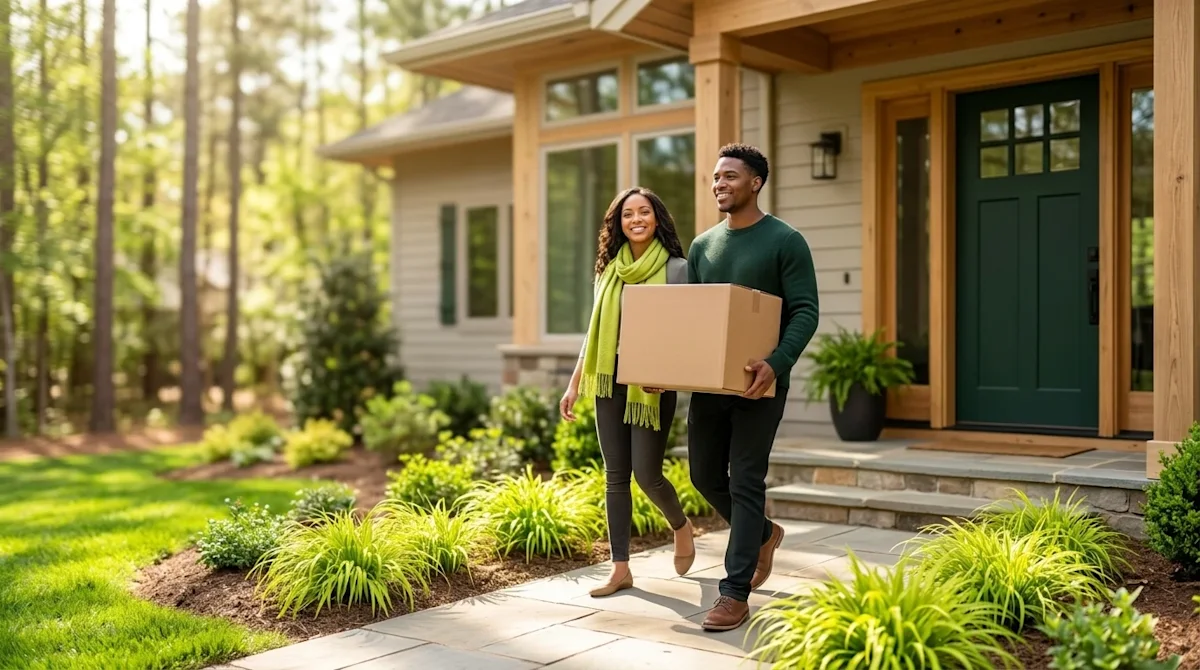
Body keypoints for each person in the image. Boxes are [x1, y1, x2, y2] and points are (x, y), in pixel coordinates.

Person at [686, 143, 820, 632]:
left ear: (756, 182)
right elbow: (693, 321)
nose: (719, 183)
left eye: (730, 176)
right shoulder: (703, 247)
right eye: (716, 177)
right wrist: (670, 372)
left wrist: (777, 362)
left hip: (759, 384)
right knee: (703, 476)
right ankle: (762, 533)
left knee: (745, 480)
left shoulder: (785, 240)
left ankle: (734, 592)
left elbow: (805, 309)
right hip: (709, 386)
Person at [559, 186, 697, 598]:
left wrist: (668, 374)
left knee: (647, 474)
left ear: (658, 218)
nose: (635, 219)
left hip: (652, 382)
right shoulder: (608, 271)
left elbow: (688, 332)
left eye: (643, 212)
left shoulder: (676, 269)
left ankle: (681, 525)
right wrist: (574, 382)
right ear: (617, 224)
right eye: (627, 214)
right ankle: (620, 568)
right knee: (615, 476)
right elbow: (593, 331)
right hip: (609, 379)